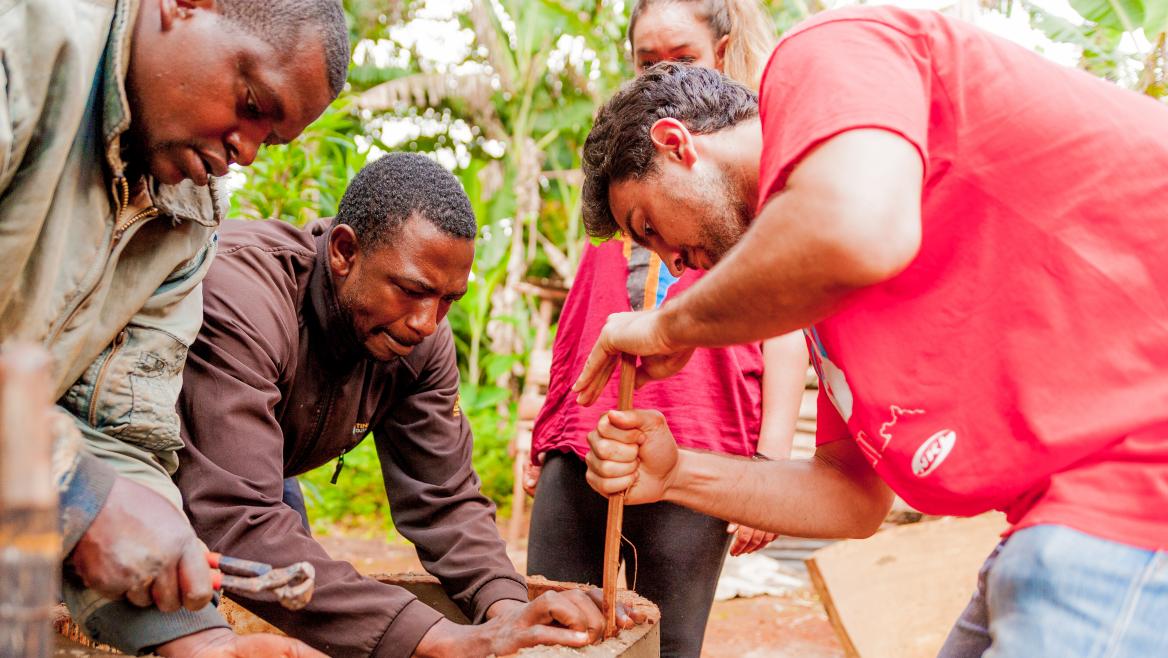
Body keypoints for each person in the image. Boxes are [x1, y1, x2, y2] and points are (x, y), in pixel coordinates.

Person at [574, 6, 1168, 657]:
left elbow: (858, 232)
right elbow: (850, 496)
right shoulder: (824, 304)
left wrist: (667, 325)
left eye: (650, 228)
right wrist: (677, 473)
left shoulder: (825, 51)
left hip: (1137, 477)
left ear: (676, 143)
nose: (673, 266)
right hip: (1060, 513)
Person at [173, 154, 637, 658]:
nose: (427, 323)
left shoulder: (419, 343)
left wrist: (507, 612)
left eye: (448, 301)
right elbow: (237, 518)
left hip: (258, 479)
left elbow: (444, 499)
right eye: (412, 291)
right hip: (147, 475)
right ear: (344, 252)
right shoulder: (242, 296)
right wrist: (440, 639)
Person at [0, 0, 347, 655]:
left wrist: (200, 640)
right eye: (251, 102)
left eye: (267, 141)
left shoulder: (188, 222)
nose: (242, 152)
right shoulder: (27, 38)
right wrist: (75, 493)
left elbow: (123, 436)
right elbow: (88, 487)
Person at [525, 3, 805, 656]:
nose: (661, 75)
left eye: (680, 58)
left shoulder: (765, 177)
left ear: (723, 50)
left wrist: (767, 466)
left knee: (670, 643)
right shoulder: (623, 166)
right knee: (553, 633)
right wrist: (545, 426)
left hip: (698, 439)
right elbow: (584, 317)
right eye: (647, 63)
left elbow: (788, 323)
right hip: (586, 443)